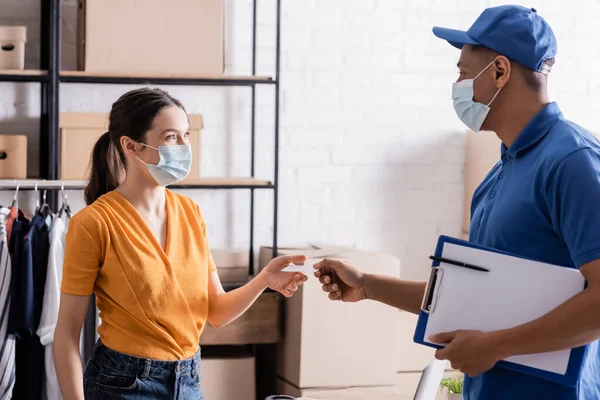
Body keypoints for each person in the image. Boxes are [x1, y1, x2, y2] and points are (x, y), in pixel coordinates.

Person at [315, 5, 600, 400]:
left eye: (464, 73)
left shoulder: (572, 161)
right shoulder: (500, 171)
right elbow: (467, 298)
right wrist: (366, 285)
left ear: (500, 71)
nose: (458, 85)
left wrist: (497, 345)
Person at [54, 87, 308, 399]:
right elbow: (66, 334)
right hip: (123, 384)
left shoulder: (191, 213)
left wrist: (263, 280)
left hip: (188, 381)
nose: (185, 146)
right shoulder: (93, 223)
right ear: (131, 145)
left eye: (186, 134)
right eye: (172, 137)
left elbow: (216, 312)